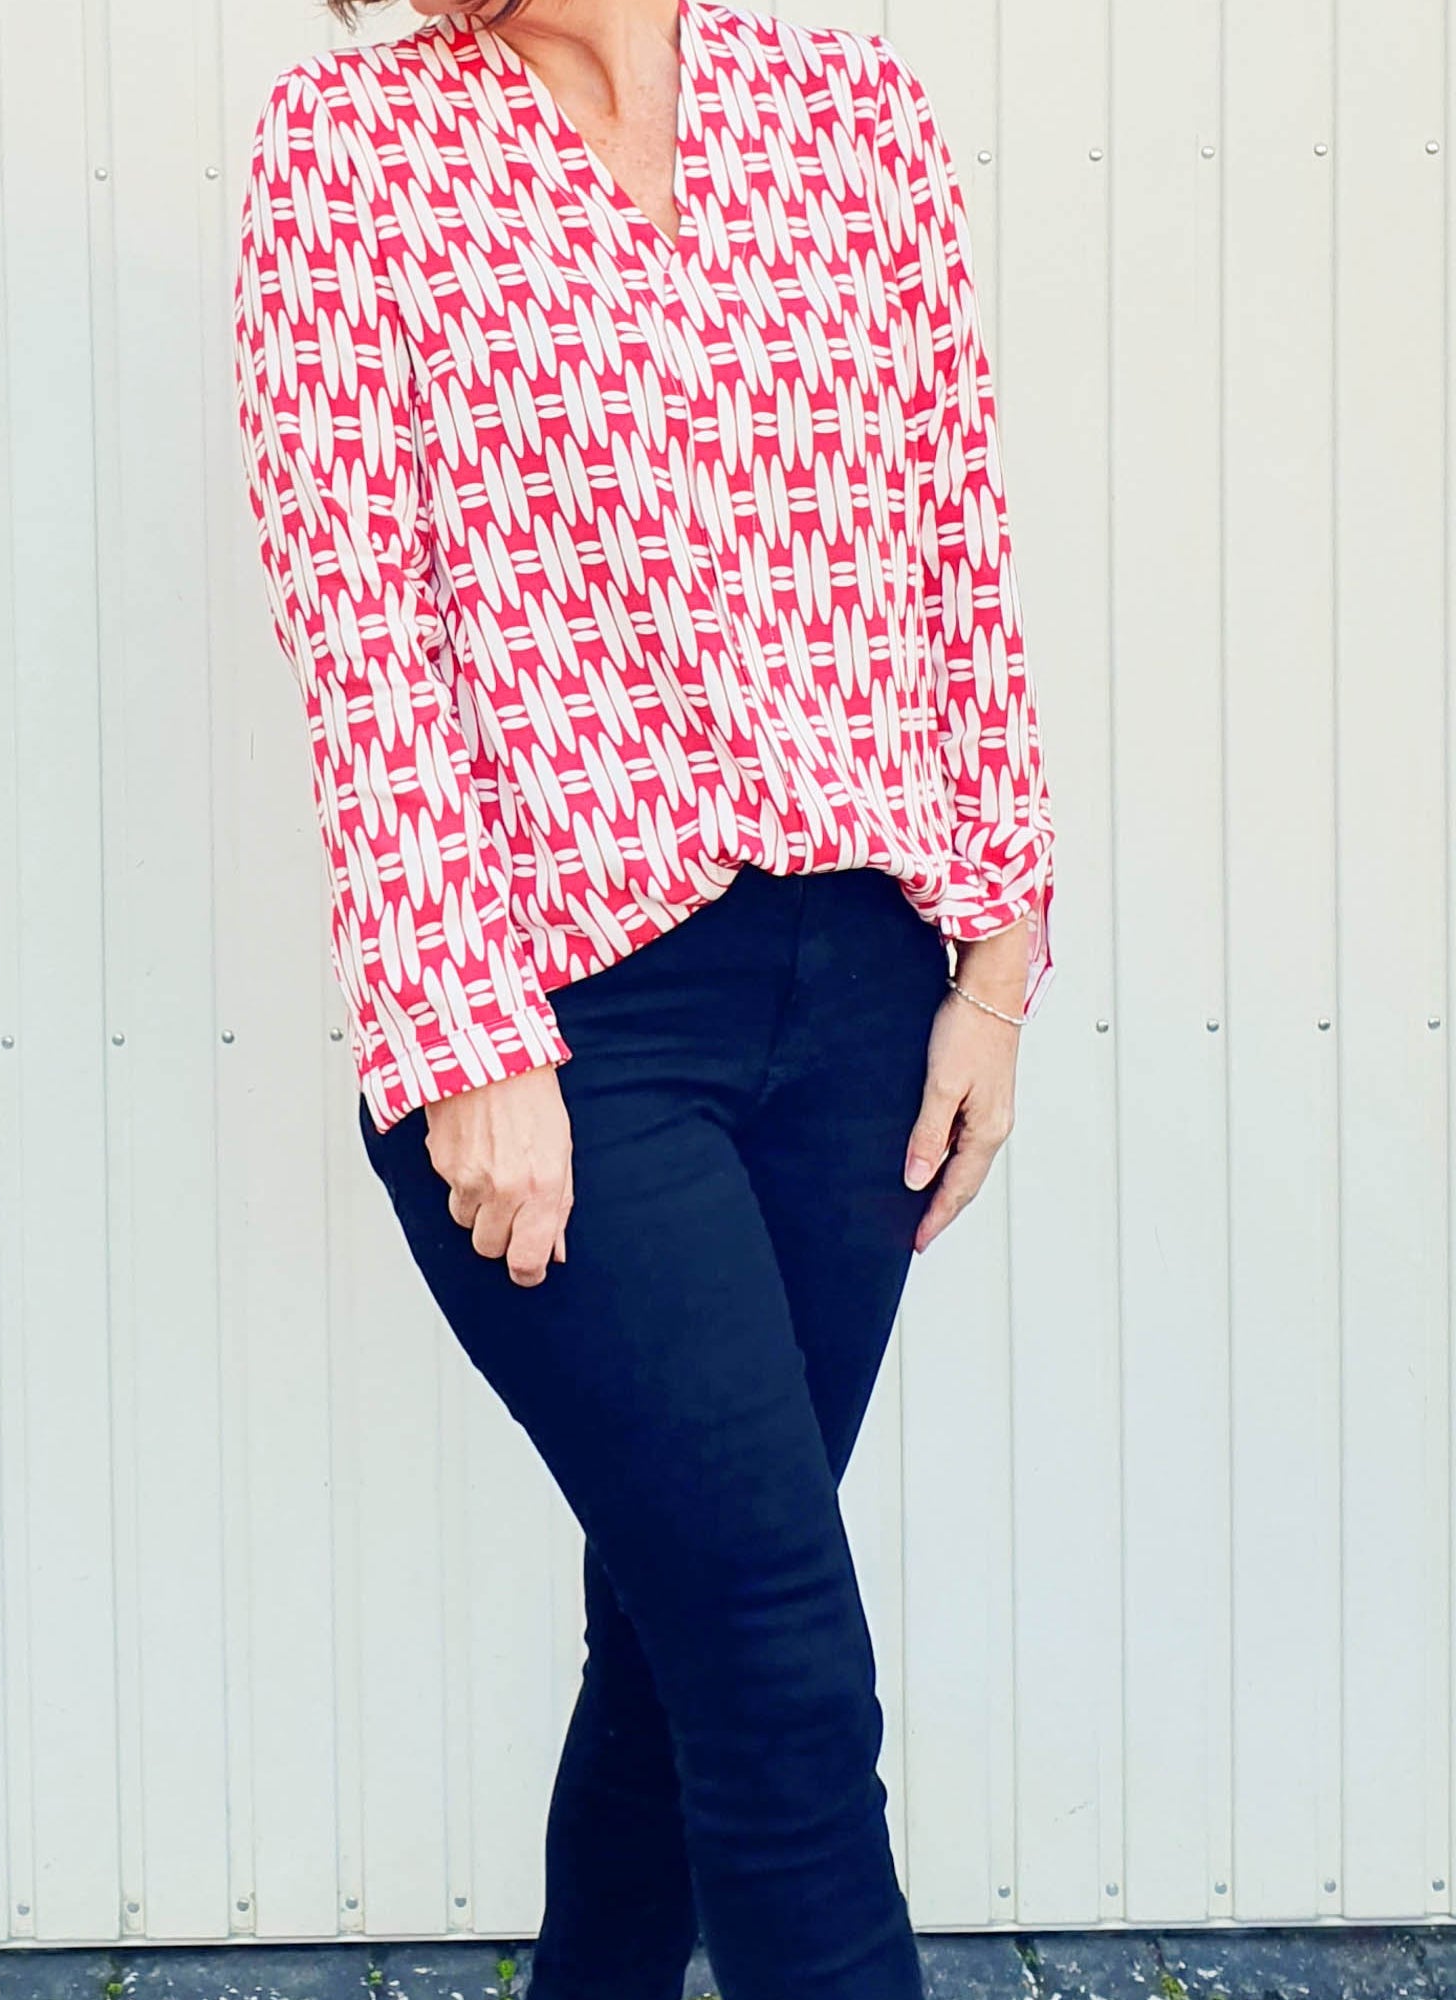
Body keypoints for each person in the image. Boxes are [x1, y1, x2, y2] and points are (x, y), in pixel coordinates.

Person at [230, 0, 1058, 1992]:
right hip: (566, 1026)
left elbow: (955, 543)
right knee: (776, 1659)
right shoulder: (349, 150)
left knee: (679, 1638)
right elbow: (362, 629)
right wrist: (466, 1036)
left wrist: (997, 962)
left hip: (861, 999)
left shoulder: (849, 112)